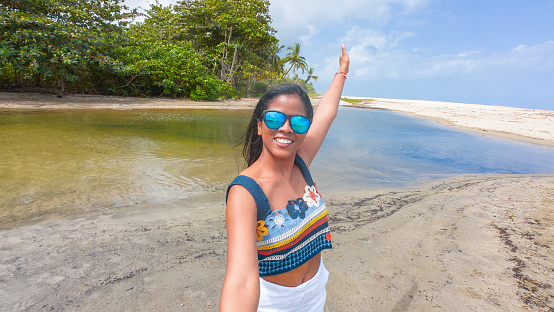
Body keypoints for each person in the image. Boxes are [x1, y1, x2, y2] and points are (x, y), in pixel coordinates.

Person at [221, 45, 350, 312]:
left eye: (299, 122)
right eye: (275, 118)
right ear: (259, 125)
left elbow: (326, 112)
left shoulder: (300, 162)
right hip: (274, 304)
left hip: (316, 292)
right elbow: (241, 281)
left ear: (305, 130)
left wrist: (342, 72)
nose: (286, 128)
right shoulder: (246, 192)